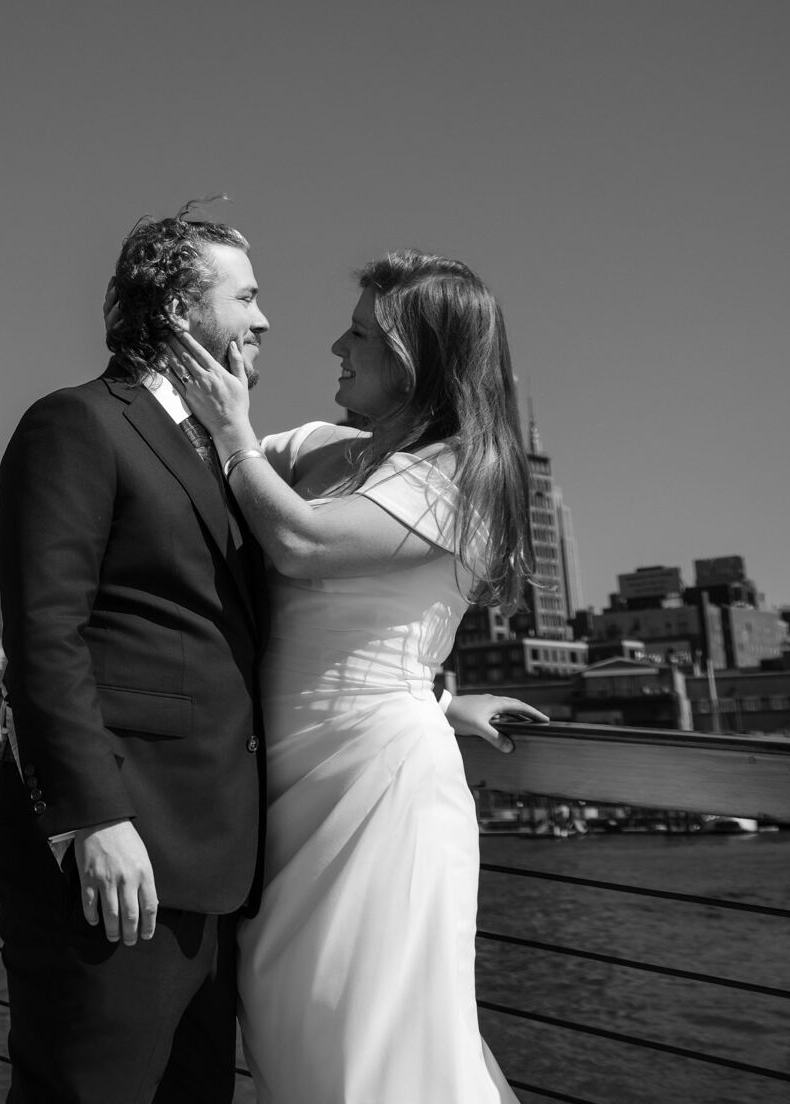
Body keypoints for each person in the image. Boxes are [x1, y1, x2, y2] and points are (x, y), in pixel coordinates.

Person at [168, 248, 542, 1102]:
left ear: (422, 358)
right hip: (281, 790)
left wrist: (231, 432)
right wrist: (442, 693)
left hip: (378, 795)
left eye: (362, 334)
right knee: (293, 1030)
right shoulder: (310, 448)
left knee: (378, 1043)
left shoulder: (464, 473)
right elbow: (181, 483)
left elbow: (299, 542)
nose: (337, 347)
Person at [0, 206, 271, 1103]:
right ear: (181, 310)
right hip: (116, 863)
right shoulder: (76, 424)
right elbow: (43, 637)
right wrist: (92, 821)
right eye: (246, 296)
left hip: (211, 868)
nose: (263, 322)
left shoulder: (222, 453)